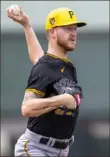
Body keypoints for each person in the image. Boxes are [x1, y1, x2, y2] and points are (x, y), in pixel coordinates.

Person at [7, 6, 87, 157]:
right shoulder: (45, 67)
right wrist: (61, 99)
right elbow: (27, 108)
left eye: (75, 29)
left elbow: (39, 59)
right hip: (36, 148)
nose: (74, 33)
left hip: (61, 151)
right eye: (68, 28)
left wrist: (26, 25)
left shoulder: (65, 66)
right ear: (52, 32)